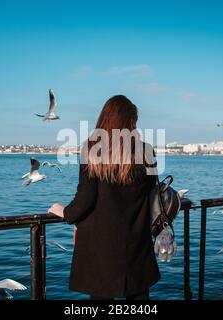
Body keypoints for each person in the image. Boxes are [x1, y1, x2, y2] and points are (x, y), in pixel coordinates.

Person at [49, 95, 160, 300]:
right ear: (130, 122)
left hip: (101, 243)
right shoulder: (146, 151)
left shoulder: (90, 149)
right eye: (133, 121)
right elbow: (152, 194)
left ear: (105, 119)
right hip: (137, 241)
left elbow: (86, 199)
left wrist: (65, 212)